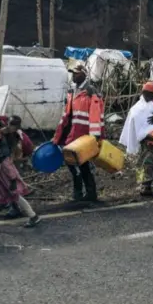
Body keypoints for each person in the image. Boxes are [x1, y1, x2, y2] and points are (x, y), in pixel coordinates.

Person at [52, 65, 104, 202]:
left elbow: (95, 115)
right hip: (71, 132)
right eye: (72, 73)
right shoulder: (72, 91)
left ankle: (90, 193)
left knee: (83, 163)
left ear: (84, 74)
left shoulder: (90, 91)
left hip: (84, 134)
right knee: (71, 161)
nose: (74, 76)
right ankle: (79, 192)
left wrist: (95, 136)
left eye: (76, 73)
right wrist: (59, 134)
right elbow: (67, 114)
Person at [0, 116, 40, 229]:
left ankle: (33, 216)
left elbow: (9, 165)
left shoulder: (4, 152)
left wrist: (13, 179)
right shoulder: (3, 138)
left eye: (13, 125)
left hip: (3, 174)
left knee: (13, 196)